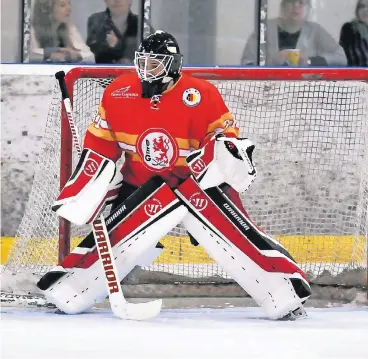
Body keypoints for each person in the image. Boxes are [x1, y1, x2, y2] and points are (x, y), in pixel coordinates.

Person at [42, 31, 311, 321]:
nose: (146, 70)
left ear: (172, 65)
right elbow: (101, 146)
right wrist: (93, 182)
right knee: (115, 237)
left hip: (194, 184)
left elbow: (224, 139)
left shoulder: (200, 94)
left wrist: (223, 156)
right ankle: (70, 290)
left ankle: (284, 292)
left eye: (155, 64)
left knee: (238, 235)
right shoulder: (119, 91)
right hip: (141, 184)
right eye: (142, 62)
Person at [241, 0, 346, 66]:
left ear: (307, 9)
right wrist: (271, 62)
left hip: (305, 93)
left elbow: (341, 58)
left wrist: (310, 61)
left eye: (301, 2)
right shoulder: (265, 29)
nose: (296, 6)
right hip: (268, 91)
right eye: (291, 1)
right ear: (282, 6)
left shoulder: (315, 31)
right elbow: (246, 63)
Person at [87, 0, 152, 64]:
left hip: (133, 71)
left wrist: (117, 45)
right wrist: (111, 45)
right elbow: (92, 51)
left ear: (130, 1)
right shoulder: (96, 20)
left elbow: (151, 50)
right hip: (103, 71)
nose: (117, 1)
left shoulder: (141, 23)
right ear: (105, 1)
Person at [30, 0, 94, 63]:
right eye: (62, 5)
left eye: (69, 4)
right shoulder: (32, 30)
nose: (69, 9)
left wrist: (70, 55)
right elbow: (29, 56)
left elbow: (90, 57)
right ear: (47, 9)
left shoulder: (69, 28)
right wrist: (54, 51)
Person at [339, 0, 368, 67]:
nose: (365, 9)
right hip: (357, 73)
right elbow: (346, 55)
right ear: (357, 10)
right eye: (362, 6)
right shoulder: (349, 28)